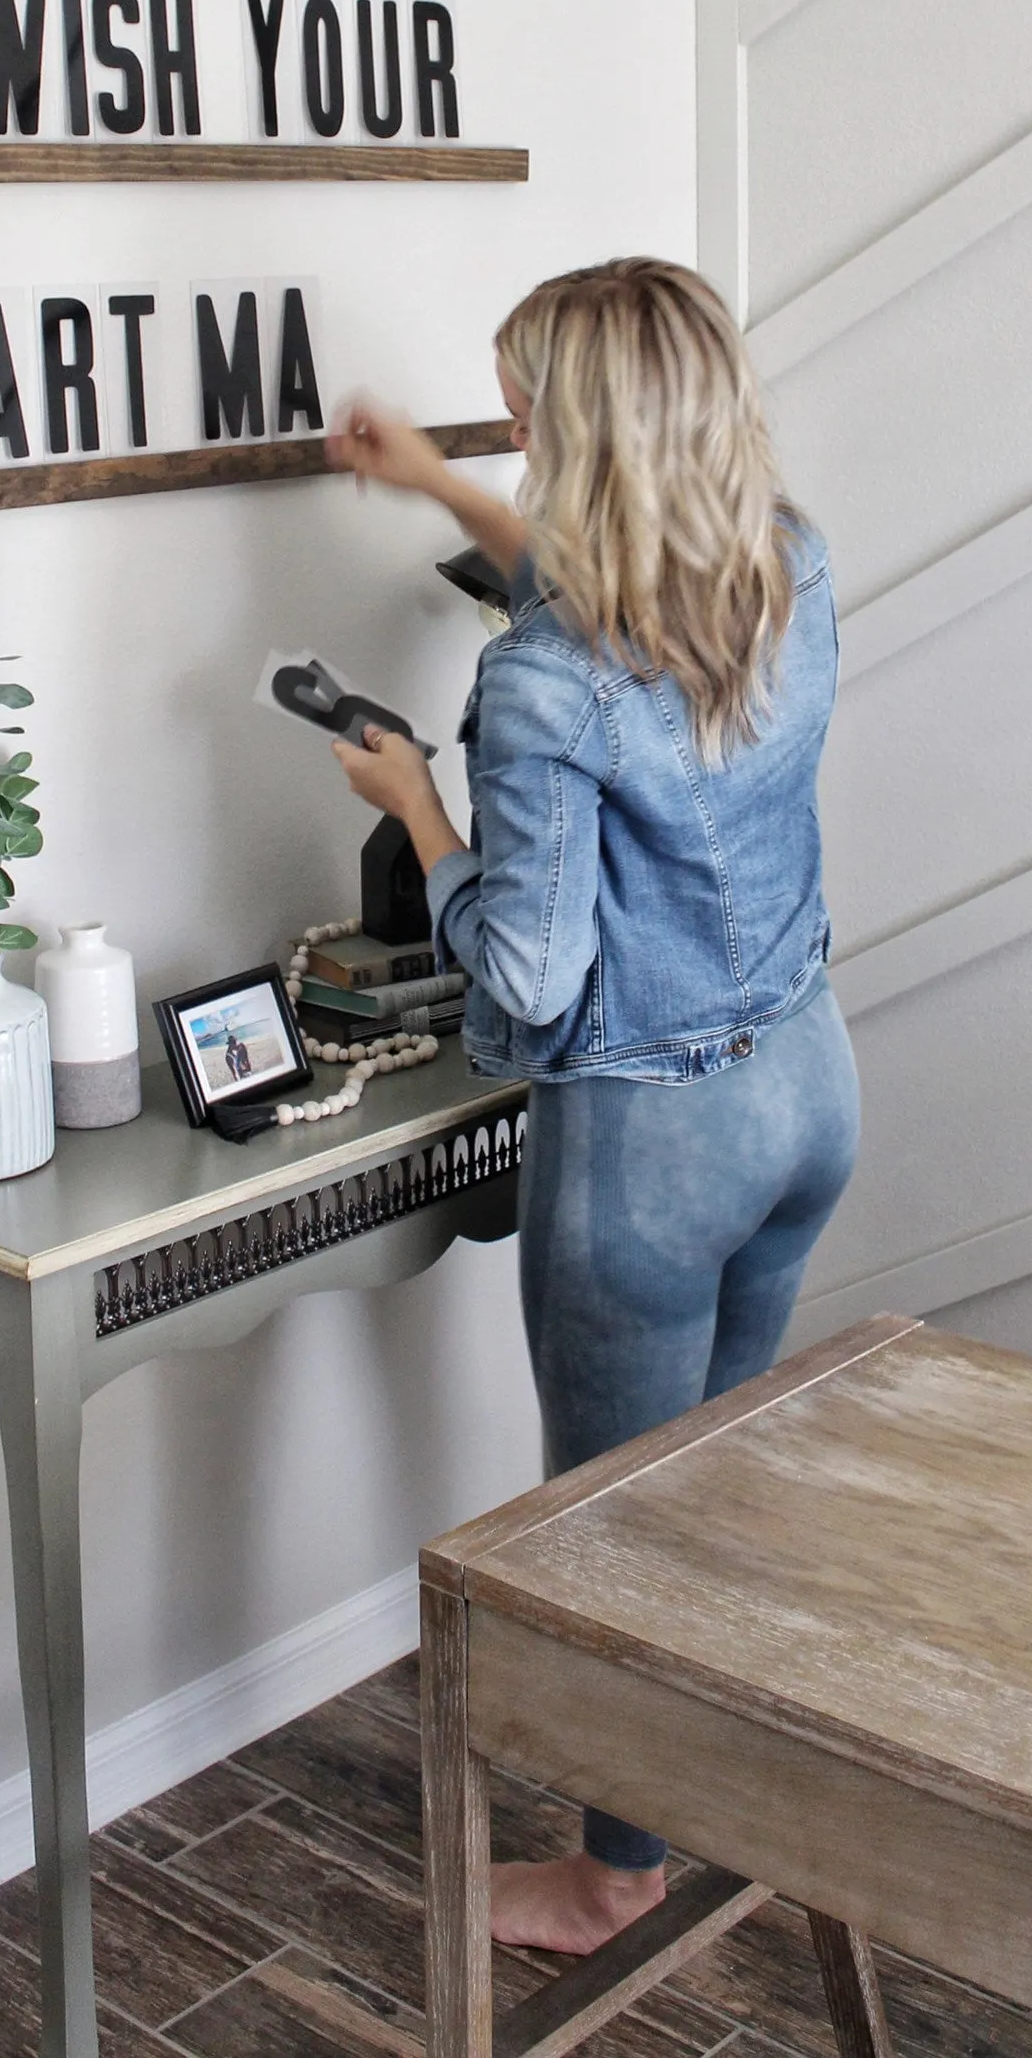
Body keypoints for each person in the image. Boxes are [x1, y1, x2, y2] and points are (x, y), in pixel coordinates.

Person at [324, 257, 860, 1958]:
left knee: (614, 1541)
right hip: (808, 1092)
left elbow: (530, 987)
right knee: (717, 1498)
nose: (520, 438)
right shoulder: (784, 561)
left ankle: (615, 1875)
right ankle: (714, 1787)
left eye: (527, 413)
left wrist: (423, 807)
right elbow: (617, 595)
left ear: (594, 433)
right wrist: (429, 485)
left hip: (650, 1154)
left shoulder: (545, 684)